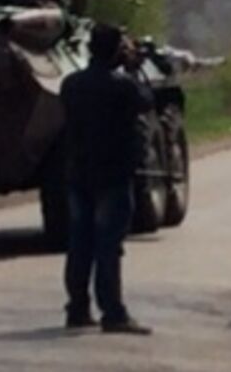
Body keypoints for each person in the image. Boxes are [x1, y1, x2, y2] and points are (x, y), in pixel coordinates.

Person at [60, 23, 152, 335]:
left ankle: (77, 308)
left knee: (80, 244)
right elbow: (146, 102)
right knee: (108, 245)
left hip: (77, 173)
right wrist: (135, 68)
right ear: (115, 51)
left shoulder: (70, 84)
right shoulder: (122, 85)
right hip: (112, 175)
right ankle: (113, 313)